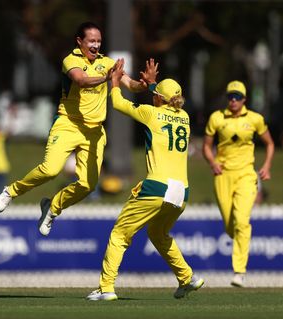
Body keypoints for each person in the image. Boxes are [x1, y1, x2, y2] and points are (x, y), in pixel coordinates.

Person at [0, 22, 152, 236]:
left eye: (99, 41)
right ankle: (11, 191)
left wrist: (145, 84)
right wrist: (108, 77)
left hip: (94, 131)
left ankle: (51, 208)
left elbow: (128, 83)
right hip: (68, 124)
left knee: (88, 184)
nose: (96, 45)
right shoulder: (71, 60)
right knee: (50, 169)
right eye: (91, 41)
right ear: (80, 42)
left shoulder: (107, 62)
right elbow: (82, 80)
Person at [87, 59, 204, 301]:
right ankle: (187, 277)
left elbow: (118, 103)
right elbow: (164, 99)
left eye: (156, 95)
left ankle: (106, 288)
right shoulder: (185, 117)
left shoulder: (152, 114)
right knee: (158, 234)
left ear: (159, 99)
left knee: (120, 234)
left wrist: (116, 82)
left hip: (157, 187)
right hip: (182, 191)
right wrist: (152, 85)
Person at [202, 80, 274, 288]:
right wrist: (212, 162)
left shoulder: (255, 119)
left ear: (244, 99)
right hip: (223, 175)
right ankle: (239, 238)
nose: (233, 100)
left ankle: (239, 272)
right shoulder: (216, 118)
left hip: (246, 174)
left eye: (237, 97)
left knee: (242, 221)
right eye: (230, 97)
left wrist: (267, 166)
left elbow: (270, 143)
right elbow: (207, 146)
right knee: (230, 226)